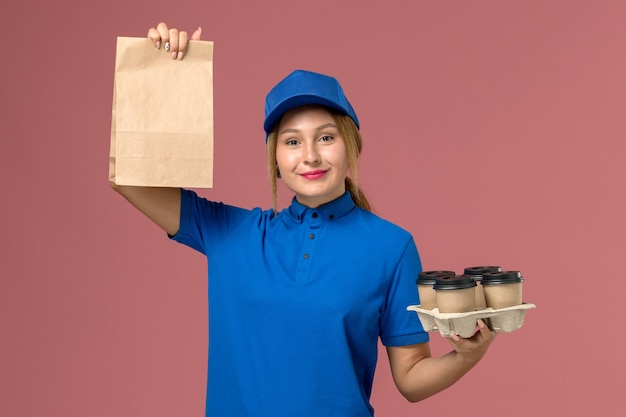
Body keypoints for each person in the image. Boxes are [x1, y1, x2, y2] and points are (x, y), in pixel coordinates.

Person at [112, 21, 496, 417]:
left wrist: (468, 355)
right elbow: (128, 180)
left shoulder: (391, 247)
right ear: (276, 160)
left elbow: (411, 377)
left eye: (326, 137)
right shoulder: (231, 234)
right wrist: (162, 73)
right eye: (292, 141)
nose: (310, 155)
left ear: (351, 147)